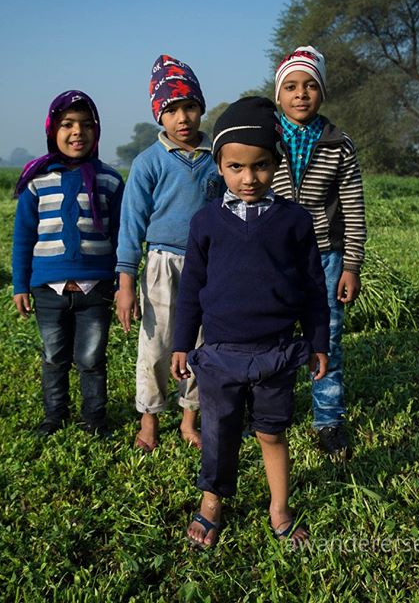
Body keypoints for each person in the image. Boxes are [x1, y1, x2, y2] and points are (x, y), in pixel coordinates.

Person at [171, 97, 330, 549]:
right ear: (218, 165)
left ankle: (279, 507)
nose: (248, 178)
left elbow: (313, 288)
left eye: (260, 166)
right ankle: (211, 505)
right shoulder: (206, 222)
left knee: (271, 431)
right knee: (218, 435)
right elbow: (192, 291)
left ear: (275, 164)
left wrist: (319, 341)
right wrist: (183, 342)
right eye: (236, 166)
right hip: (220, 352)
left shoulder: (294, 222)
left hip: (277, 351)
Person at [115, 55, 222, 453]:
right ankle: (149, 418)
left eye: (190, 106)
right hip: (161, 263)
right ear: (160, 115)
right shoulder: (148, 163)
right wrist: (126, 284)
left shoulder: (217, 159)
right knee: (157, 344)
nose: (183, 118)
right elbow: (131, 227)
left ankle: (189, 418)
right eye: (172, 109)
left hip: (208, 265)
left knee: (201, 342)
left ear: (201, 108)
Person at [12, 90, 124, 437]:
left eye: (87, 125)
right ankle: (54, 416)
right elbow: (23, 238)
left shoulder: (109, 180)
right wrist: (20, 285)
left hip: (96, 288)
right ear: (52, 130)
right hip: (47, 289)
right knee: (53, 357)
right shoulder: (36, 181)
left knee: (91, 359)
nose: (78, 132)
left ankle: (94, 419)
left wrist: (123, 284)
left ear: (97, 131)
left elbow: (122, 236)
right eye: (67, 125)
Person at [273, 46, 367, 458]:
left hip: (325, 259)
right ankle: (266, 413)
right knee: (268, 335)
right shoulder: (263, 137)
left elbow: (353, 205)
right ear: (278, 95)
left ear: (323, 92)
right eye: (291, 86)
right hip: (271, 257)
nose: (301, 94)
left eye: (310, 85)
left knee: (325, 339)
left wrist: (352, 264)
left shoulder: (338, 144)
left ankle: (328, 419)